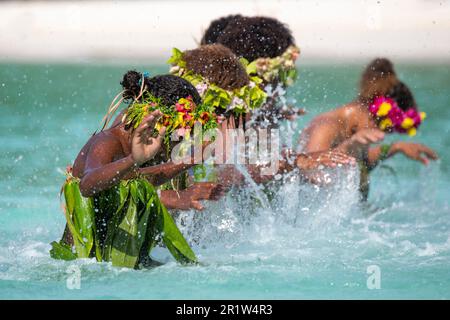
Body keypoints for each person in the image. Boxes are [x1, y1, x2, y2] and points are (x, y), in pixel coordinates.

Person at [168, 44, 355, 187]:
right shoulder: (172, 135)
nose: (246, 117)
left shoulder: (190, 127)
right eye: (236, 114)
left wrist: (293, 162)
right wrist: (293, 162)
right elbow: (226, 175)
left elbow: (231, 172)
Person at [298, 58, 438, 199]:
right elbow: (308, 172)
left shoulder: (357, 132)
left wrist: (396, 147)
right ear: (372, 112)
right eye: (383, 128)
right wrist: (349, 147)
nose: (380, 134)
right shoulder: (326, 125)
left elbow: (362, 164)